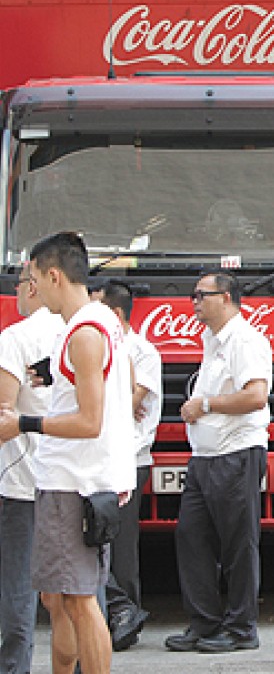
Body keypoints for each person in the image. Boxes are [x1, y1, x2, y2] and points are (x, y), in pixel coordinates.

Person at [0, 231, 135, 674]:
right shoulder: (100, 322)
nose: (31, 288)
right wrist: (54, 377)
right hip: (88, 480)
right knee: (59, 597)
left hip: (74, 482)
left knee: (78, 601)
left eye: (34, 278)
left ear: (54, 275)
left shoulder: (84, 334)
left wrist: (24, 423)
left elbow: (89, 421)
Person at [165, 270, 271, 654]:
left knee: (237, 544)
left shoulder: (245, 340)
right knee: (190, 536)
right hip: (205, 456)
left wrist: (206, 404)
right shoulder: (212, 340)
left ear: (226, 298)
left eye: (201, 295)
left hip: (236, 454)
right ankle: (204, 622)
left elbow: (256, 396)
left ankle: (242, 628)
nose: (194, 302)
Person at [90, 280, 162, 651]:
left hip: (130, 458)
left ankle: (127, 615)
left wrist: (114, 399)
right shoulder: (95, 346)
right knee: (95, 541)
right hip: (99, 455)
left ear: (115, 314)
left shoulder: (141, 351)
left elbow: (123, 402)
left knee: (121, 545)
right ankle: (115, 613)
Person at [0, 262, 64, 674]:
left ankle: (14, 668)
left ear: (36, 285)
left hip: (23, 483)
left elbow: (3, 411)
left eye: (22, 285)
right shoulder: (93, 332)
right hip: (76, 481)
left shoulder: (16, 337)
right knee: (76, 594)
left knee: (18, 592)